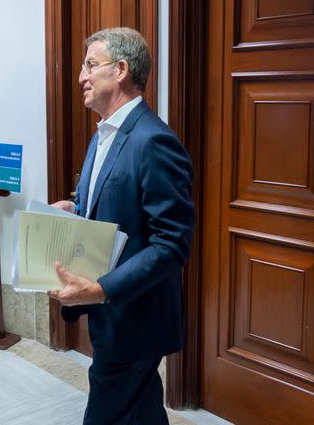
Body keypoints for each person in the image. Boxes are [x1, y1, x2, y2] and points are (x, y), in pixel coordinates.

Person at [50, 27, 194, 425]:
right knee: (143, 410)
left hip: (135, 316)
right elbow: (113, 204)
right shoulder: (103, 135)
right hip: (112, 316)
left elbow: (172, 243)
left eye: (90, 65)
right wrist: (74, 209)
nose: (81, 76)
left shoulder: (154, 141)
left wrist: (100, 290)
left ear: (121, 71)